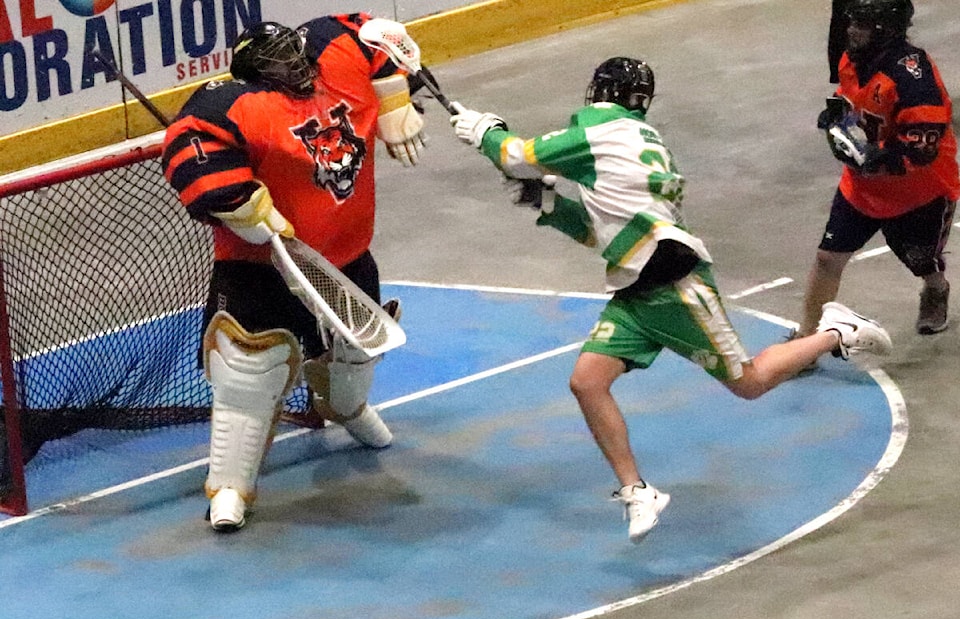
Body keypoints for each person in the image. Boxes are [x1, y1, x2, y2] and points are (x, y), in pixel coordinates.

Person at [448, 57, 893, 543]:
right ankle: (638, 491)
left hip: (677, 287)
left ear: (600, 90)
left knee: (748, 382)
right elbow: (609, 231)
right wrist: (550, 203)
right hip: (638, 286)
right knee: (587, 381)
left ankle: (837, 330)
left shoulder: (599, 130)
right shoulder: (641, 140)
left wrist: (485, 129)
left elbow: (516, 154)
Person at [161, 15, 429, 532]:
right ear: (256, 74)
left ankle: (347, 409)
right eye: (280, 62)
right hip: (261, 268)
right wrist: (238, 202)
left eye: (296, 54)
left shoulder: (334, 58)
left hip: (348, 254)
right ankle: (231, 486)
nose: (297, 67)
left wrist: (395, 97)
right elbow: (187, 144)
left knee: (355, 350)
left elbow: (372, 32)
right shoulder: (232, 104)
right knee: (247, 375)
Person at [800, 0, 958, 340]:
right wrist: (840, 117)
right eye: (851, 21)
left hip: (920, 193)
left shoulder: (914, 79)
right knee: (828, 258)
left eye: (860, 24)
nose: (850, 30)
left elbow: (922, 148)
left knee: (920, 260)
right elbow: (854, 99)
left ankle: (936, 287)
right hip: (861, 190)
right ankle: (805, 337)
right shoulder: (852, 59)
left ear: (884, 30)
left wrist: (881, 159)